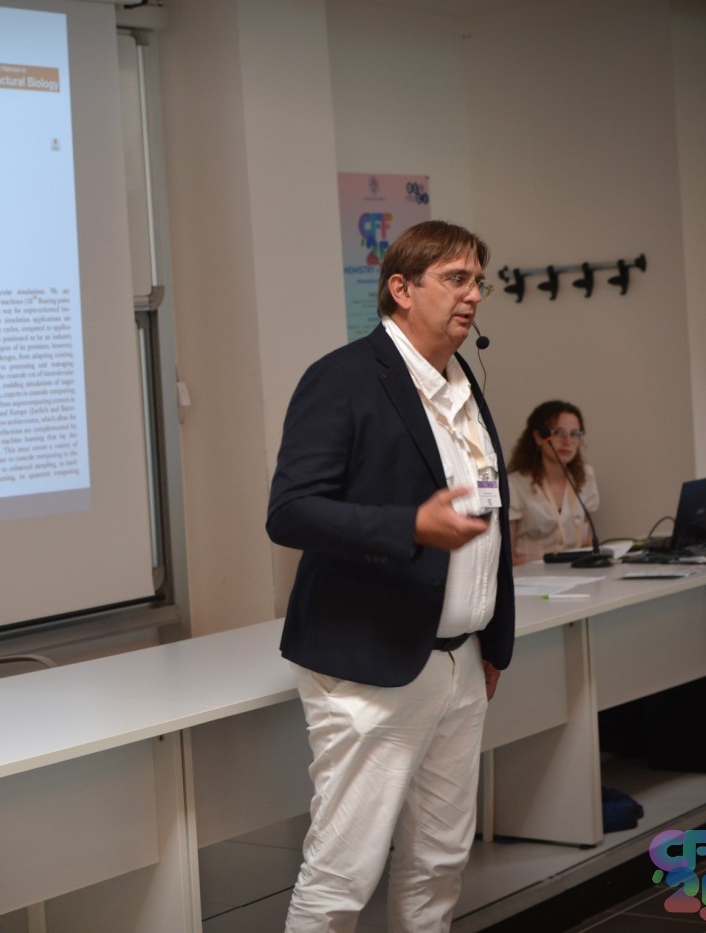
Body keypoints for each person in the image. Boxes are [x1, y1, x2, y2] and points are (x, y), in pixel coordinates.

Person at [266, 220, 514, 932]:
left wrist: (491, 639)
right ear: (401, 289)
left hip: (461, 664)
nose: (473, 296)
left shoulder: (463, 384)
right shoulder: (343, 378)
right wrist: (408, 526)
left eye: (478, 282)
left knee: (439, 862)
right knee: (343, 874)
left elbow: (490, 518)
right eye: (455, 279)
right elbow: (290, 512)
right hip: (372, 662)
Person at [506, 401, 597, 564]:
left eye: (575, 434)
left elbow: (588, 540)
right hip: (531, 575)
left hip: (577, 572)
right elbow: (507, 558)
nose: (568, 441)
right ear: (539, 437)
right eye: (559, 433)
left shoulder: (585, 477)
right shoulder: (514, 485)